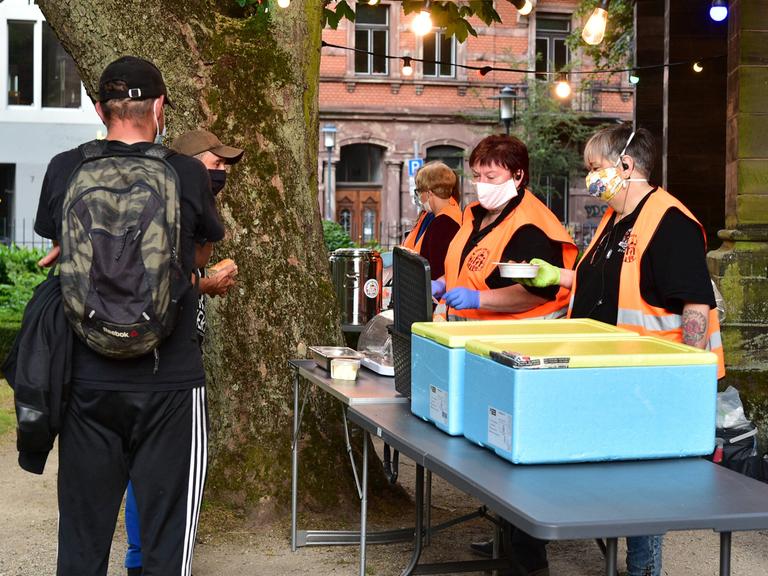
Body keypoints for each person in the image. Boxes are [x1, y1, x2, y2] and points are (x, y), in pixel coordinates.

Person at [34, 56, 225, 576]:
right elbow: (200, 255)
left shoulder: (64, 167)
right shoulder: (187, 172)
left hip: (86, 377)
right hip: (170, 379)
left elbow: (62, 247)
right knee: (166, 546)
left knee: (81, 539)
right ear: (159, 107)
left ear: (101, 110)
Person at [515, 123, 725, 576]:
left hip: (650, 381)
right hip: (610, 376)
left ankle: (644, 572)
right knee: (620, 483)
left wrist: (683, 379)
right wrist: (557, 277)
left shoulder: (670, 221)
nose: (590, 177)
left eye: (595, 168)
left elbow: (694, 306)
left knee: (640, 491)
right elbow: (604, 287)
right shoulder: (614, 221)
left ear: (626, 166)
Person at [120, 129, 244, 576]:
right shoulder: (172, 204)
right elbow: (161, 278)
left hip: (165, 352)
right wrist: (207, 281)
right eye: (217, 162)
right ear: (190, 163)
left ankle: (142, 558)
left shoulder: (177, 201)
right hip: (166, 365)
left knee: (147, 472)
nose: (223, 171)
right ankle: (154, 561)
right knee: (169, 475)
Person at [431, 134, 577, 321]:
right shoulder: (474, 214)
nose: (481, 184)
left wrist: (478, 299)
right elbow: (469, 266)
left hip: (510, 339)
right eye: (477, 175)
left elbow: (536, 294)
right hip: (467, 333)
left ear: (517, 176)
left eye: (491, 177)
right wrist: (443, 283)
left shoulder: (531, 226)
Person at [408, 161, 462, 279]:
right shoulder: (451, 214)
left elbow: (435, 271)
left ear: (429, 193)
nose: (419, 197)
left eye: (419, 191)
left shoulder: (442, 224)